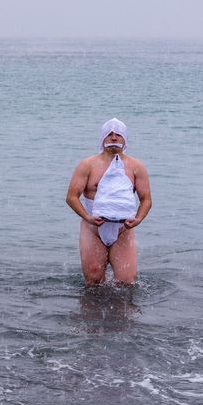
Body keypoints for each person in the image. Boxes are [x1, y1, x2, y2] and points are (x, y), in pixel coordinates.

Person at [65, 117, 152, 285]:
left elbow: (146, 199)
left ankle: (118, 310)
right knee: (94, 279)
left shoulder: (136, 166)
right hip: (93, 228)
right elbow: (71, 197)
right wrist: (87, 217)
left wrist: (138, 219)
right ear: (102, 138)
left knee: (127, 282)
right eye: (109, 134)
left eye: (118, 134)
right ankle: (92, 311)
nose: (114, 138)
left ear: (125, 139)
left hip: (123, 229)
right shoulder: (88, 165)